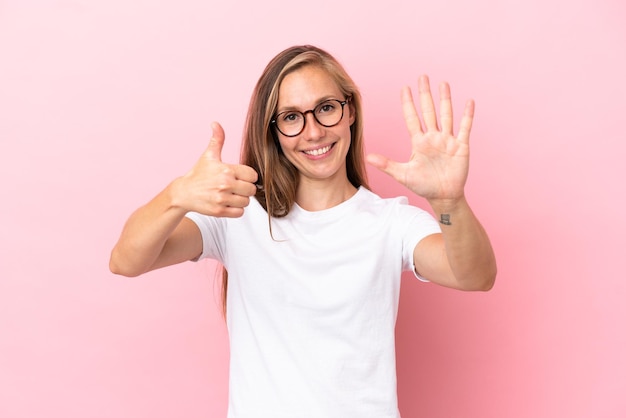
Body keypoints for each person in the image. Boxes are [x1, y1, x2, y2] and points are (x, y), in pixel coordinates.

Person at [110, 45, 496, 418]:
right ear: (273, 131)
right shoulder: (238, 214)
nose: (313, 132)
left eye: (326, 108)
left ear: (350, 113)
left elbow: (475, 275)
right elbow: (126, 261)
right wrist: (176, 196)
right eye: (292, 117)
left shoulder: (390, 222)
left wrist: (450, 203)